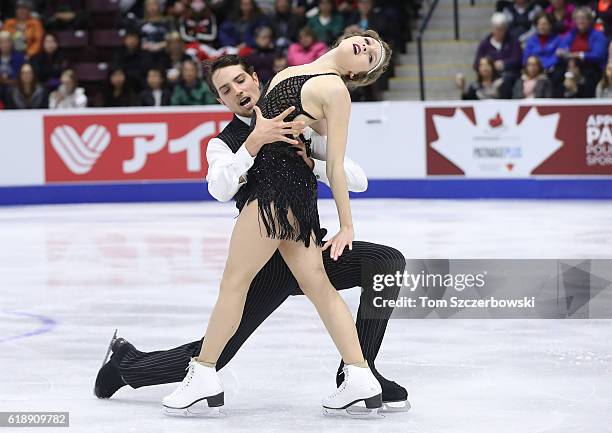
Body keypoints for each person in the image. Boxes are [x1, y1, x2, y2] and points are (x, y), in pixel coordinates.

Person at [94, 52, 409, 415]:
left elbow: (356, 179)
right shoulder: (223, 143)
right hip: (268, 263)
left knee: (385, 263)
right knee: (219, 347)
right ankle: (127, 364)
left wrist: (315, 162)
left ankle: (359, 369)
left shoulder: (299, 116)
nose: (237, 91)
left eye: (240, 81)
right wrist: (253, 144)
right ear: (220, 100)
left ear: (256, 79)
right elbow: (219, 187)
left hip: (306, 242)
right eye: (225, 89)